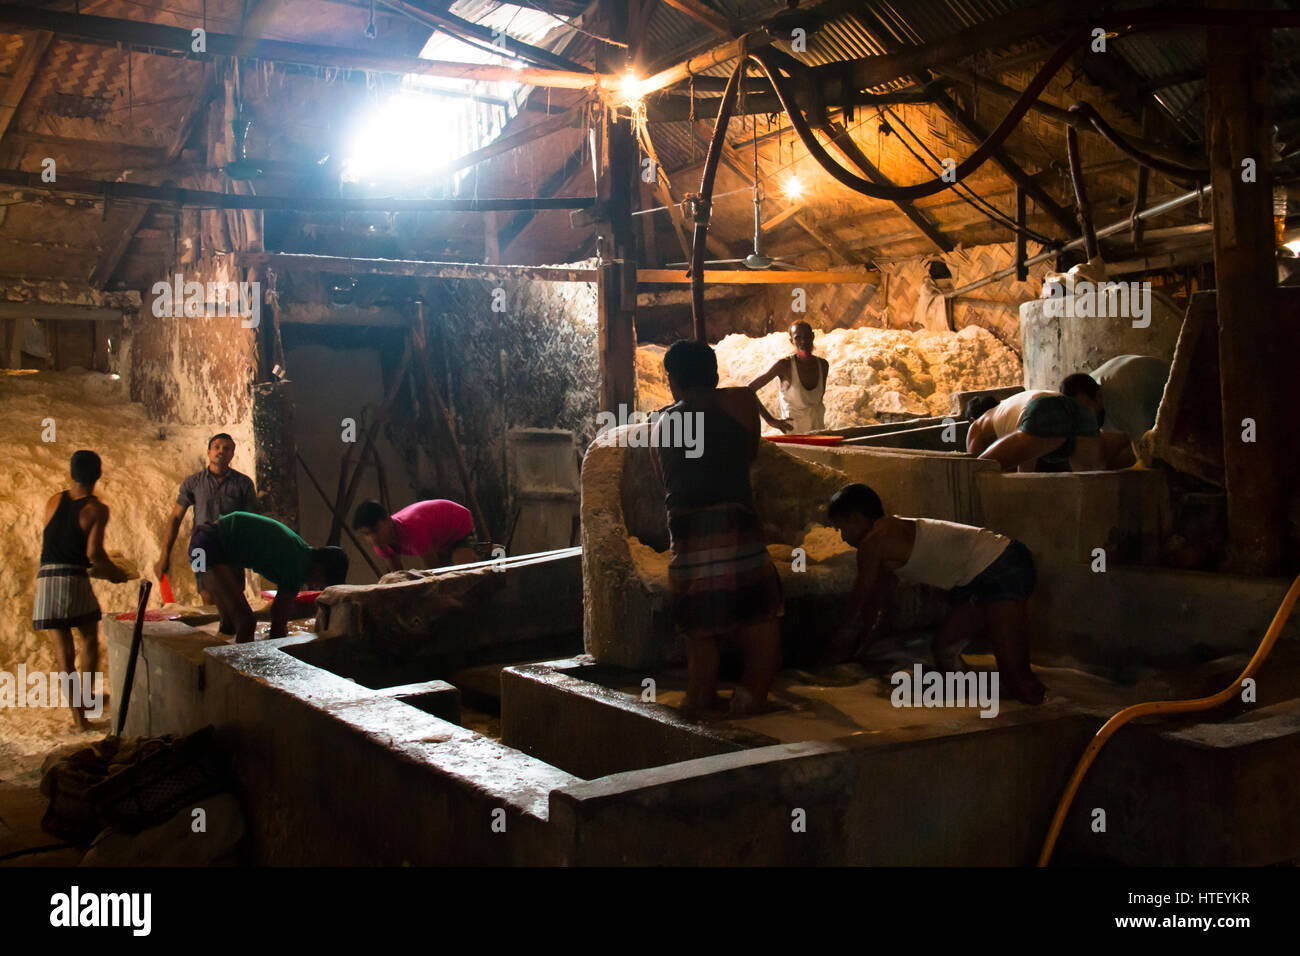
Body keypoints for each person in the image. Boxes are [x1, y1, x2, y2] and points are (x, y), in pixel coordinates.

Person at [653, 339, 784, 716]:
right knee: (759, 620)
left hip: (685, 530)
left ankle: (699, 700)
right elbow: (750, 455)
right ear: (713, 374)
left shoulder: (662, 422)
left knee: (700, 629)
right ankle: (749, 700)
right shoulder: (740, 400)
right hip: (733, 521)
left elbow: (665, 481)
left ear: (672, 379)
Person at [826, 483, 1045, 705]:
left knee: (1017, 678)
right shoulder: (890, 532)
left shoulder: (873, 542)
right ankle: (973, 712)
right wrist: (865, 647)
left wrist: (840, 642)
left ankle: (1051, 719)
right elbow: (877, 601)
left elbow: (860, 597)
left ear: (855, 518)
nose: (843, 538)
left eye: (841, 528)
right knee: (944, 649)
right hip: (984, 575)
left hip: (1000, 566)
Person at [33, 451, 132, 728]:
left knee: (64, 654)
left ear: (71, 473)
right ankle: (86, 699)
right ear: (98, 474)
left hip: (46, 580)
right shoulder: (96, 509)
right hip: (72, 580)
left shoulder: (54, 501)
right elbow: (94, 554)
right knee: (88, 638)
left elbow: (56, 544)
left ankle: (79, 719)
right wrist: (117, 574)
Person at [189, 511, 348, 644]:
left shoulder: (300, 551)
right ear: (320, 570)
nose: (316, 587)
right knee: (246, 623)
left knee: (230, 625)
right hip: (207, 546)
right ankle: (239, 677)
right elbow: (278, 624)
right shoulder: (298, 567)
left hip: (201, 543)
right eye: (321, 584)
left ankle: (215, 662)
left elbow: (279, 613)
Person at [154, 433, 258, 609]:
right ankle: (215, 633)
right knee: (206, 594)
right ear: (209, 452)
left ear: (232, 454)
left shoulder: (243, 484)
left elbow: (253, 521)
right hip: (200, 548)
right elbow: (175, 517)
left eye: (227, 448)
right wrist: (164, 555)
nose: (221, 451)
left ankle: (230, 632)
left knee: (234, 595)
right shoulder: (193, 483)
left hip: (232, 547)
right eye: (216, 447)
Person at [1060, 355, 1170, 461]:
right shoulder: (1087, 387)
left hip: (1177, 397)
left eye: (1084, 411)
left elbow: (1145, 453)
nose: (1081, 419)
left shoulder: (1121, 399)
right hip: (1140, 394)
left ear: (1098, 396)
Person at [976, 391, 1104, 472]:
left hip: (1047, 410)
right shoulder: (1008, 407)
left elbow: (969, 464)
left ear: (971, 419)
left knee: (977, 471)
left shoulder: (977, 425)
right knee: (1089, 485)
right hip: (1082, 412)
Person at [746, 320, 830, 434]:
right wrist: (770, 420)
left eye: (807, 336)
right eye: (797, 338)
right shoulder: (784, 366)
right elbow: (749, 389)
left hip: (818, 434)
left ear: (813, 336)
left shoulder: (823, 365)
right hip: (793, 437)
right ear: (792, 341)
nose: (803, 341)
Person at [351, 499, 477, 573]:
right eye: (366, 534)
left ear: (388, 520)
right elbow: (398, 577)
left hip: (457, 523)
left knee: (463, 574)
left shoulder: (412, 530)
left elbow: (434, 570)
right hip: (438, 538)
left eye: (375, 530)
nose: (372, 538)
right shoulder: (381, 544)